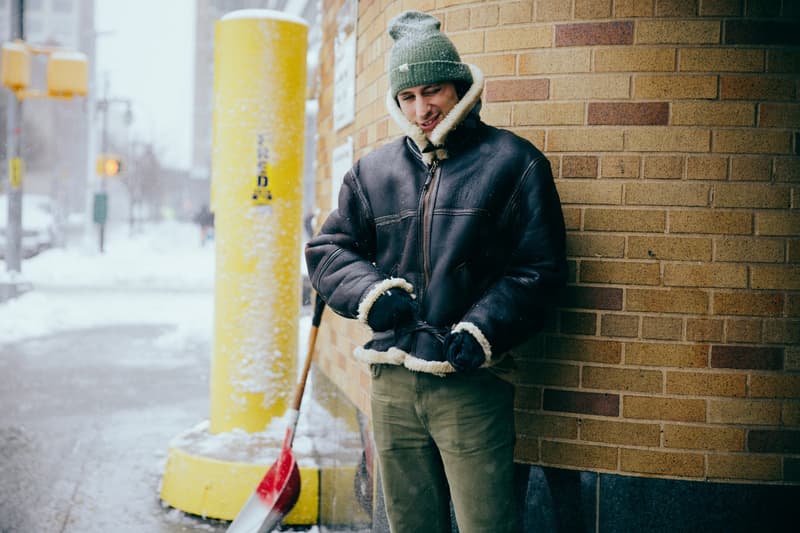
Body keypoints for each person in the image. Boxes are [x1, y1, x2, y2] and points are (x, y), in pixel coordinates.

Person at [305, 10, 567, 533]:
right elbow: (328, 250)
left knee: (484, 523)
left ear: (459, 87)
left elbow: (540, 268)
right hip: (391, 383)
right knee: (410, 524)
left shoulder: (514, 163)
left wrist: (483, 328)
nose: (421, 109)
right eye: (407, 97)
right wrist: (372, 294)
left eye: (433, 92)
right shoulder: (372, 172)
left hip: (470, 380)